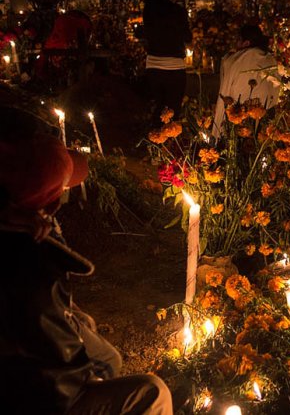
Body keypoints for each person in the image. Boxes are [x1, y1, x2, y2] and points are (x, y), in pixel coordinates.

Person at [0, 108, 173, 414]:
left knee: (106, 352)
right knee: (150, 391)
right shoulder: (32, 268)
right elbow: (57, 372)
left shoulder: (17, 226)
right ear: (47, 207)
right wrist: (88, 379)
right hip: (34, 394)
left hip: (30, 365)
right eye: (63, 190)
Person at [212, 24, 279, 139]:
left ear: (246, 43)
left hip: (237, 117)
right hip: (264, 121)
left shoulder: (232, 60)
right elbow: (275, 91)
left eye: (238, 40)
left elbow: (224, 92)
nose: (235, 44)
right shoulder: (270, 59)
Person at [143, 0, 192, 126]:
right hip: (173, 67)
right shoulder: (177, 11)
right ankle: (169, 146)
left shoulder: (149, 7)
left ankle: (154, 142)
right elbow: (188, 38)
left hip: (152, 65)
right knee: (172, 112)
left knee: (157, 109)